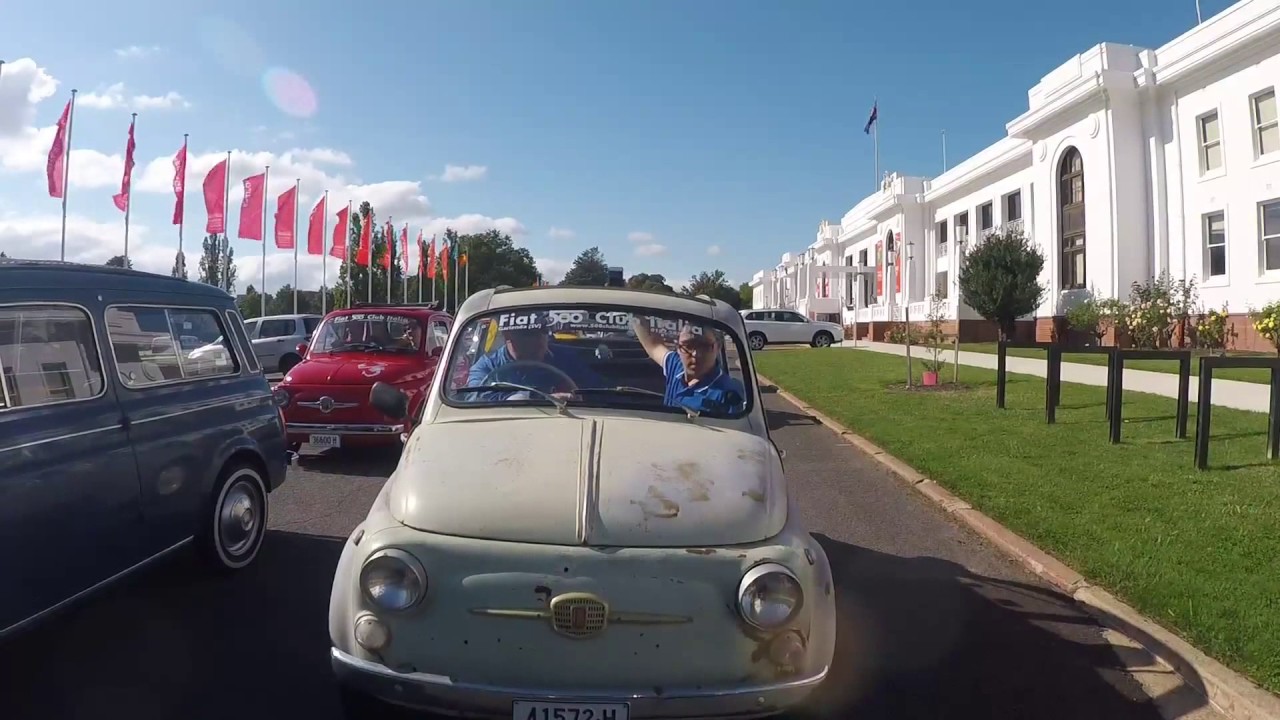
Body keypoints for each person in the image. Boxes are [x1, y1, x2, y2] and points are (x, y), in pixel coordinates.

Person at [464, 312, 603, 400]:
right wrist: (539, 398)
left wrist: (577, 396)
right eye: (528, 334)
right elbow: (475, 398)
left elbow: (596, 390)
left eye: (543, 331)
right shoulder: (487, 366)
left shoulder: (567, 359)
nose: (539, 341)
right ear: (508, 336)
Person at [631, 316, 747, 415]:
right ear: (678, 347)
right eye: (688, 346)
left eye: (704, 346)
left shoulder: (727, 393)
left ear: (718, 347)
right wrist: (634, 306)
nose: (695, 354)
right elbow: (653, 345)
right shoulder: (676, 367)